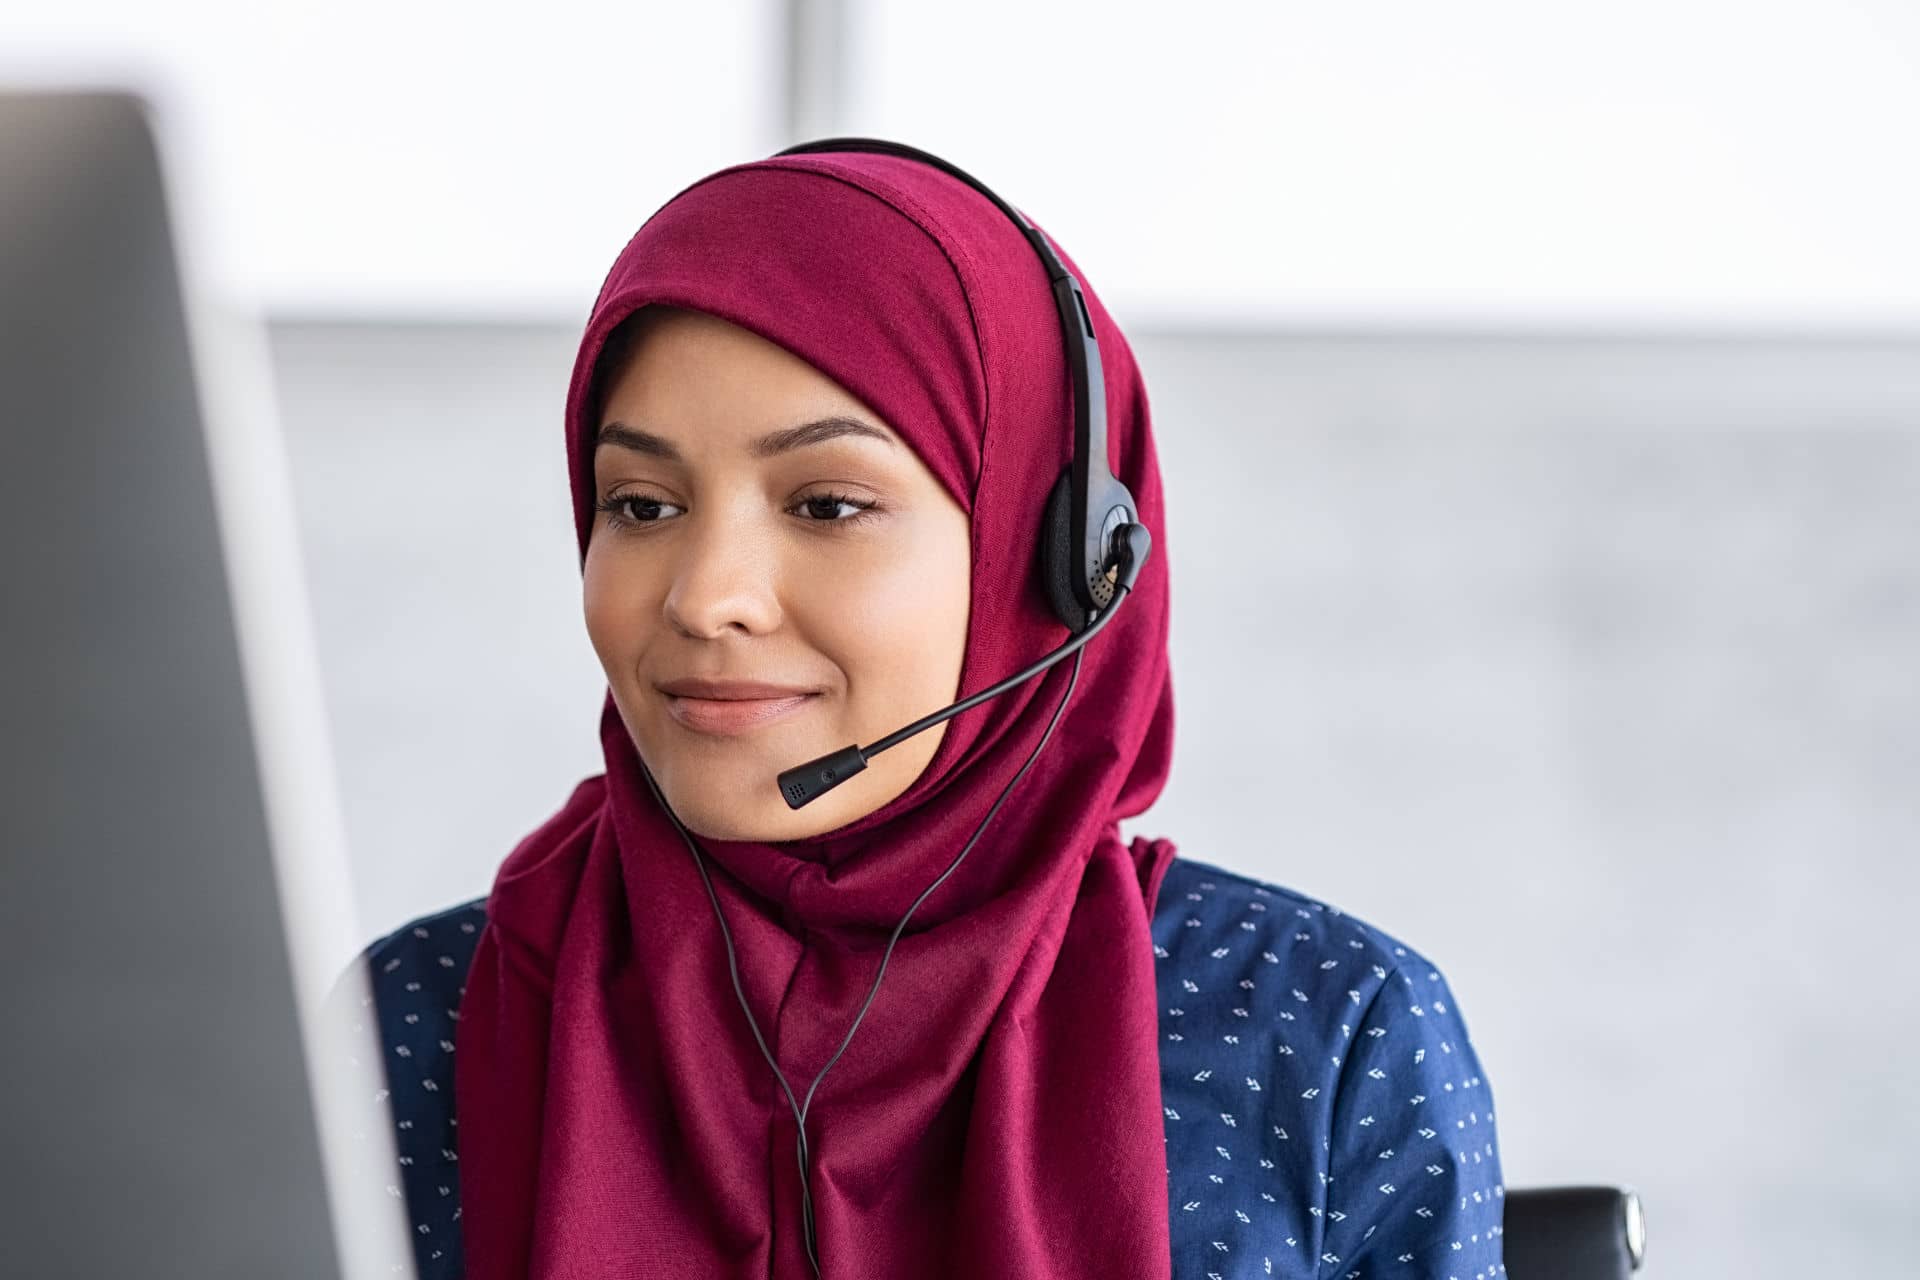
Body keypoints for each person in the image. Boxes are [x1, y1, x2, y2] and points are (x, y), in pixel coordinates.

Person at [327, 144, 1507, 1279]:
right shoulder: (410, 1021)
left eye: (827, 504)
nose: (703, 596)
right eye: (640, 504)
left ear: (1053, 564)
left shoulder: (1318, 1032)